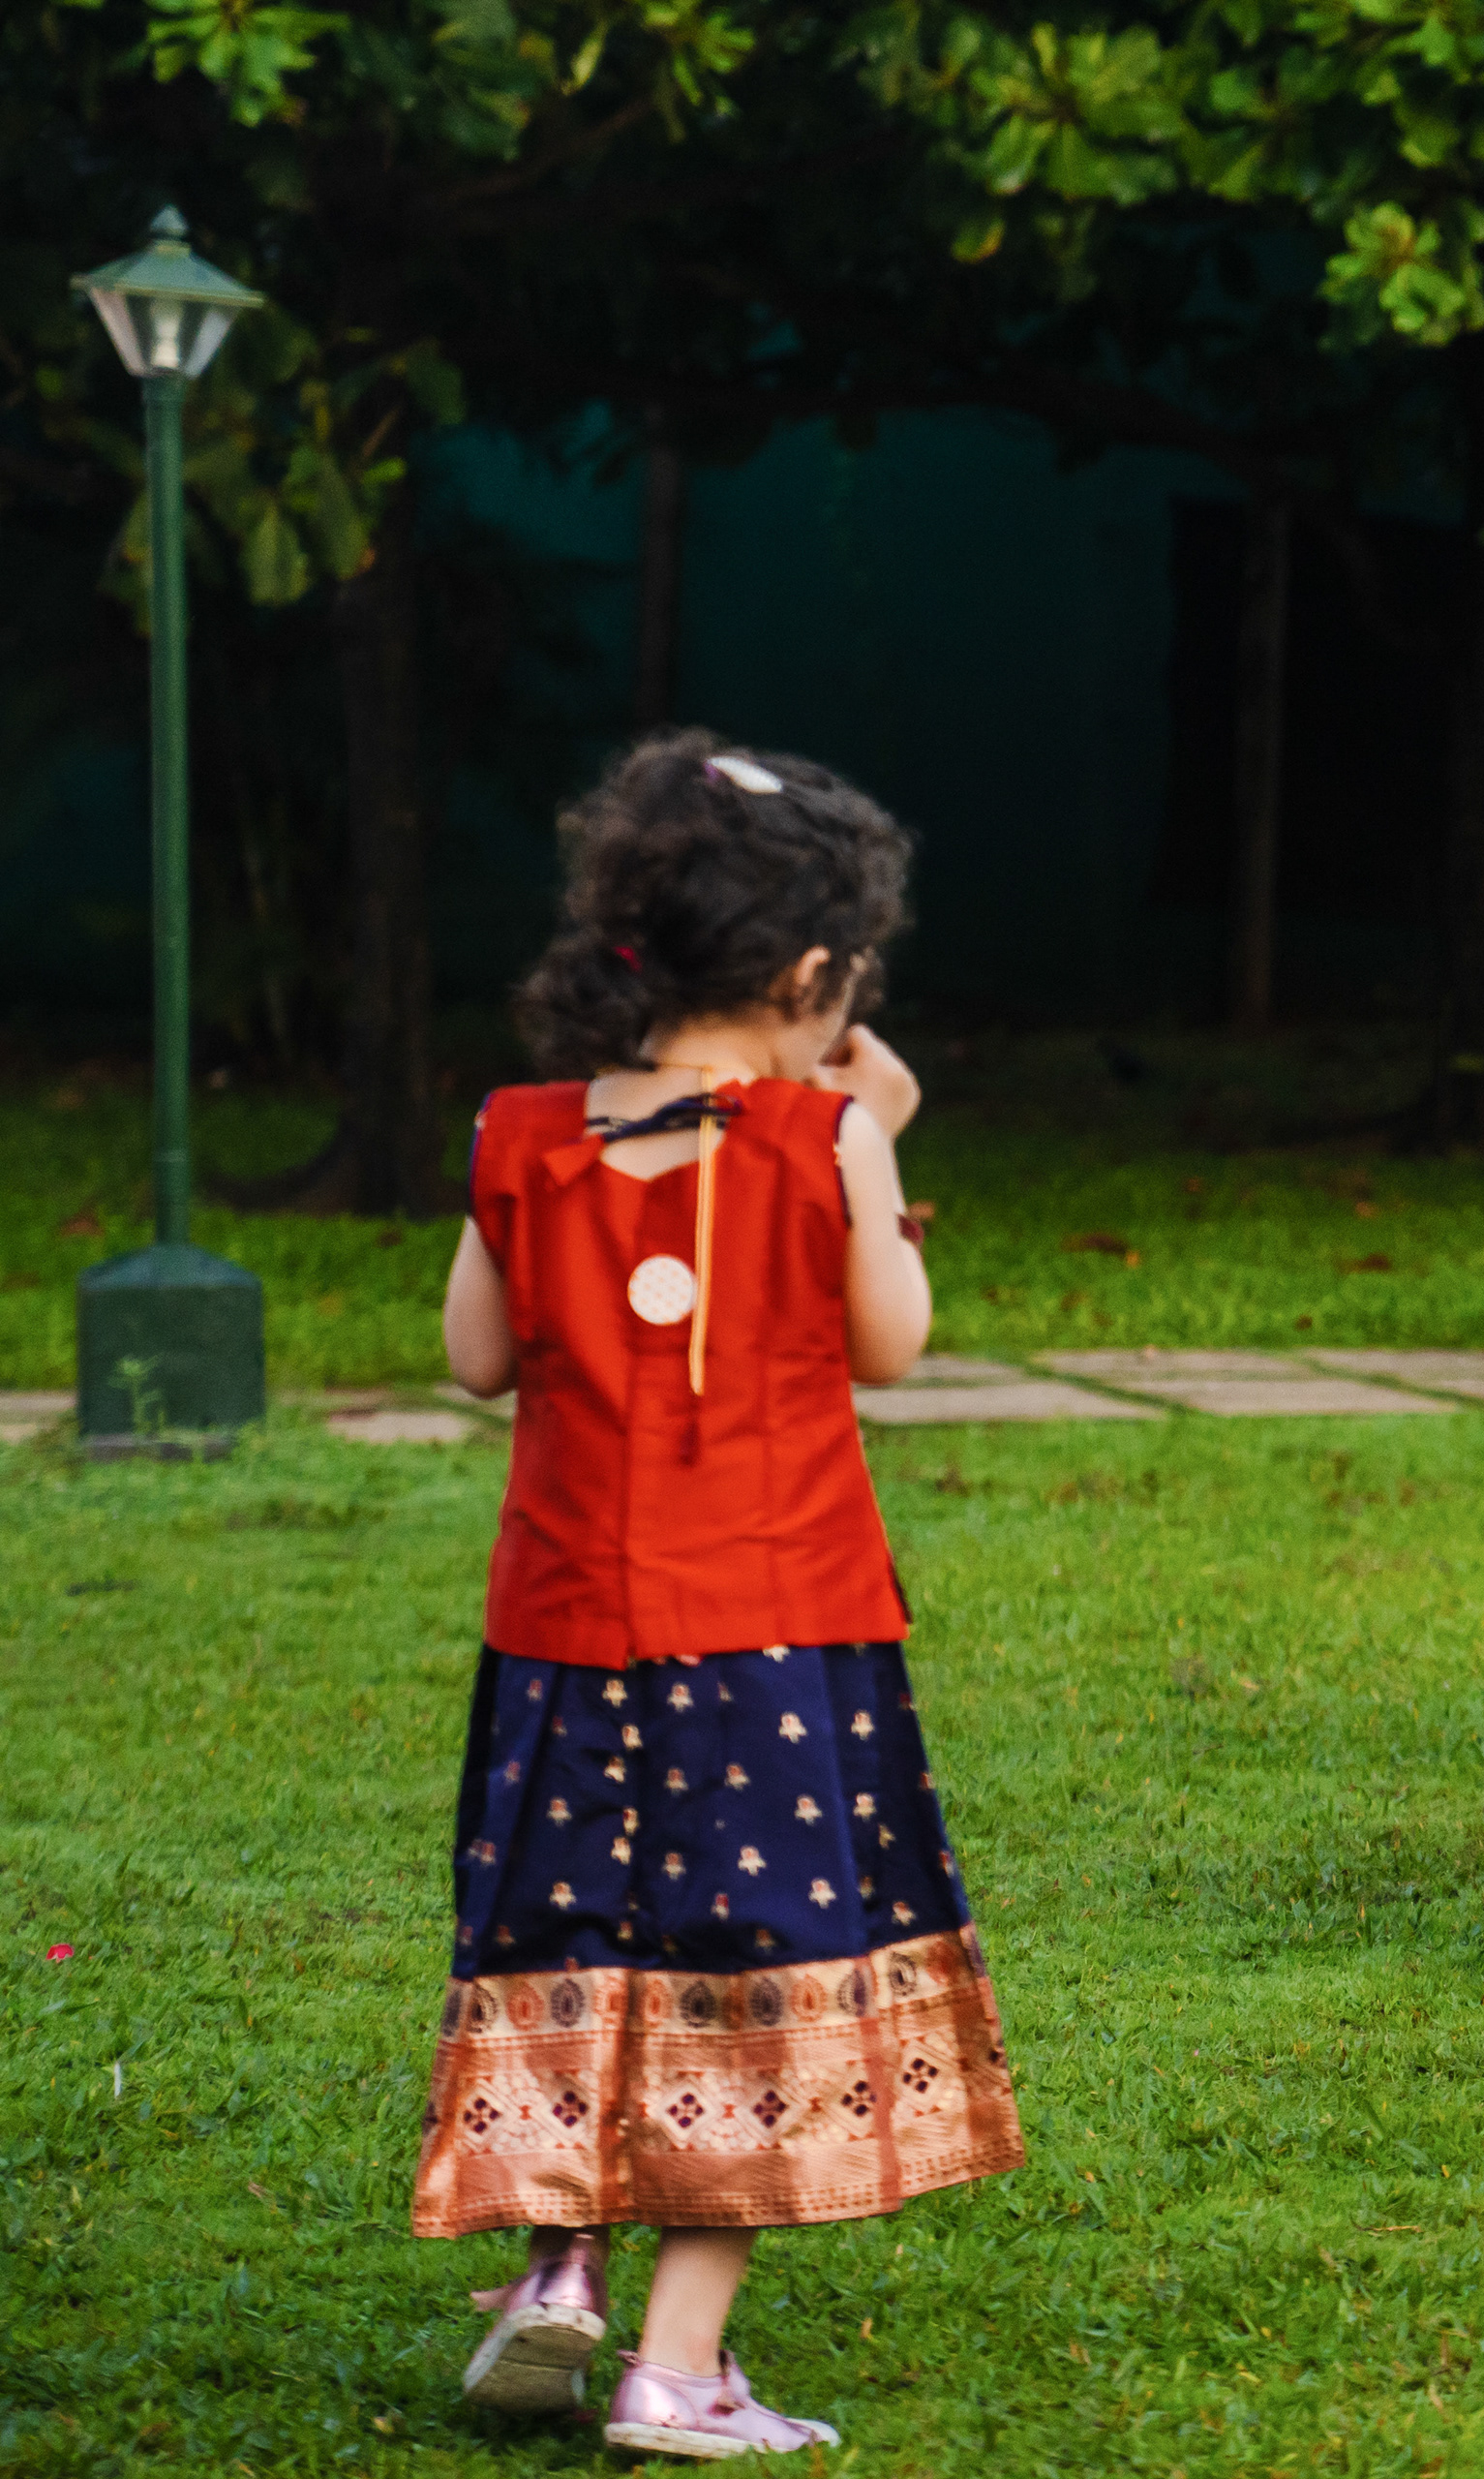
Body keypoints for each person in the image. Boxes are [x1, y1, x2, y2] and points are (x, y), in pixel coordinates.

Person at [419, 733, 1021, 2453]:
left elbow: (473, 1357)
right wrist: (875, 1142)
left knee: (575, 1947)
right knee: (759, 1973)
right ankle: (679, 2367)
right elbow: (891, 1345)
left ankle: (558, 2271)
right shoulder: (827, 1136)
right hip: (775, 1643)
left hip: (560, 1648)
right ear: (815, 973)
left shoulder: (519, 1131)